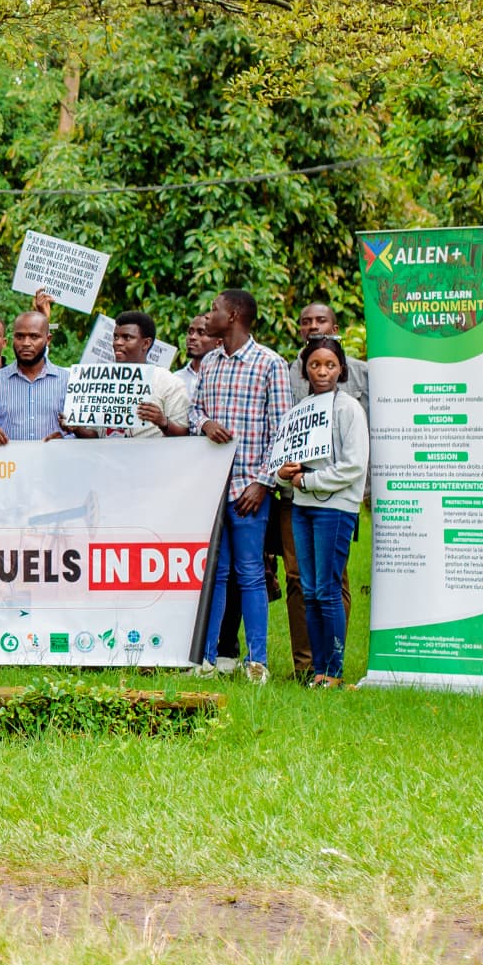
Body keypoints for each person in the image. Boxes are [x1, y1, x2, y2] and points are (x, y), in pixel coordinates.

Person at [191, 289, 297, 682]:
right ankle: (206, 659)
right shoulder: (210, 362)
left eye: (214, 309)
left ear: (233, 315)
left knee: (251, 573)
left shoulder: (270, 364)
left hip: (249, 489)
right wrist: (205, 423)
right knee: (215, 574)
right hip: (211, 488)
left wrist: (263, 483)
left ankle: (257, 661)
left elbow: (282, 431)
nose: (209, 316)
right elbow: (193, 409)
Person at [277, 336, 369, 688]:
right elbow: (285, 460)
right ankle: (317, 670)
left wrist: (309, 480)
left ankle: (334, 671)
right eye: (315, 365)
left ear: (341, 369)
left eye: (330, 365)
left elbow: (353, 466)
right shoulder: (300, 410)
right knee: (310, 589)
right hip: (302, 507)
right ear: (305, 370)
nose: (322, 371)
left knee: (328, 589)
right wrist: (283, 474)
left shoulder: (349, 409)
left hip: (335, 509)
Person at [68, 311, 190, 439]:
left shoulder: (169, 383)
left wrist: (162, 422)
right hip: (106, 452)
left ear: (146, 343)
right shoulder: (100, 380)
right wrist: (77, 429)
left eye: (127, 337)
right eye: (116, 337)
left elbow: (185, 435)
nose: (117, 343)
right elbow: (96, 435)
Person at [0, 310, 69, 443]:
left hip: (55, 456)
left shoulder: (67, 380)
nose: (26, 343)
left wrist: (65, 439)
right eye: (19, 337)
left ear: (48, 339)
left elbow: (82, 431)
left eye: (34, 337)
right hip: (8, 457)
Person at [293, 302, 369, 409]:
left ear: (335, 330)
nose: (313, 326)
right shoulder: (287, 373)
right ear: (301, 332)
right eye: (306, 322)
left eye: (321, 321)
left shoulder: (363, 372)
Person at [179, 311, 221, 402]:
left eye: (201, 332)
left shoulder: (223, 380)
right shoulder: (175, 378)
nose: (192, 337)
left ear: (219, 342)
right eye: (190, 332)